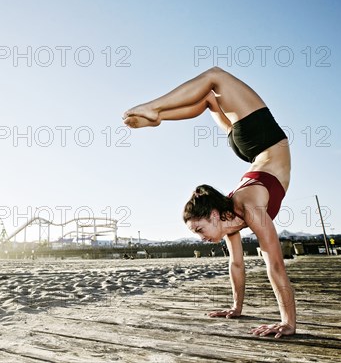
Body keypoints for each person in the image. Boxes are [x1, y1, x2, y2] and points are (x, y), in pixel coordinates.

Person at [123, 67, 295, 338]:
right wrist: (236, 308)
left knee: (215, 76)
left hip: (264, 140)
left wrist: (288, 322)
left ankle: (155, 109)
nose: (201, 238)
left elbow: (275, 264)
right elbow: (236, 265)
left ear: (214, 215)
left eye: (200, 230)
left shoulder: (250, 208)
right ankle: (159, 117)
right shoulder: (230, 221)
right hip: (247, 147)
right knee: (207, 100)